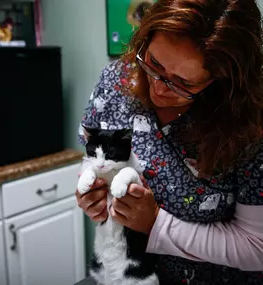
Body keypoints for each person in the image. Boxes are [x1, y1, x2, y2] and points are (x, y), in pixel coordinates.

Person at [76, 0, 263, 284]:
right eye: (153, 63)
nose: (159, 88)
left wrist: (156, 224)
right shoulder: (115, 81)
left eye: (184, 83)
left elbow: (256, 247)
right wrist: (93, 195)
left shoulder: (247, 121)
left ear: (224, 81)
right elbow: (92, 159)